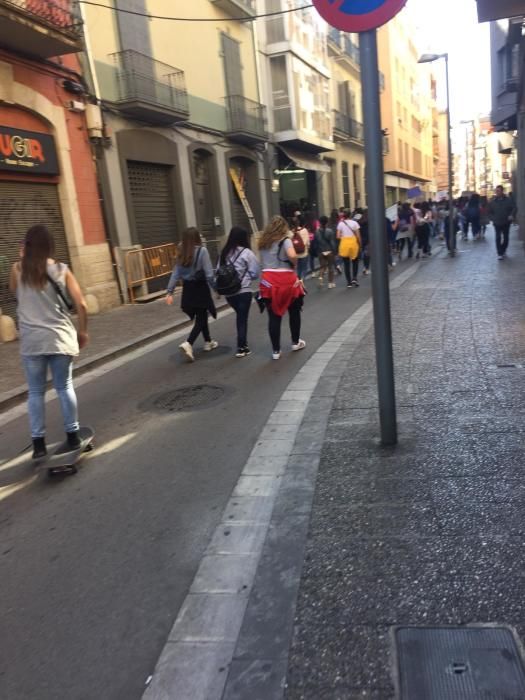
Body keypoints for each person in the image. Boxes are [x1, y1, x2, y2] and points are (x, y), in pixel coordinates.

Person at [9, 225, 88, 459]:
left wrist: (22, 260)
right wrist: (83, 332)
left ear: (27, 246)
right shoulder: (62, 270)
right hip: (59, 338)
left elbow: (16, 294)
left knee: (35, 392)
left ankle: (39, 445)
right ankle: (73, 436)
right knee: (64, 387)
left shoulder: (16, 270)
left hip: (32, 342)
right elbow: (81, 304)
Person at [166, 227, 218, 362]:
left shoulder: (181, 253)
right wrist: (216, 289)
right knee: (201, 317)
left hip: (188, 289)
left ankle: (208, 341)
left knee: (202, 314)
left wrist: (169, 292)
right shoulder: (202, 251)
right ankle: (189, 343)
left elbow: (175, 273)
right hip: (200, 288)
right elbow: (209, 274)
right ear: (197, 238)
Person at [258, 215, 306, 360]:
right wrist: (295, 262)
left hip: (268, 281)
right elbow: (292, 255)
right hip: (286, 280)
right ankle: (295, 342)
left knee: (273, 316)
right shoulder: (285, 241)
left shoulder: (263, 242)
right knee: (294, 312)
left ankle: (276, 351)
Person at [217, 227, 260, 358]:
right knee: (242, 319)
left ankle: (243, 345)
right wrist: (245, 276)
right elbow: (255, 273)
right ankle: (242, 347)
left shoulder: (224, 253)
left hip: (229, 293)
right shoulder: (247, 253)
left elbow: (219, 271)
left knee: (240, 317)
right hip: (243, 291)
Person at [488, 185, 516, 260]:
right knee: (498, 237)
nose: (497, 192)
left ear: (502, 191)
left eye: (498, 191)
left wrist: (511, 215)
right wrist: (493, 219)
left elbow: (514, 208)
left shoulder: (508, 200)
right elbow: (489, 212)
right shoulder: (493, 202)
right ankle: (499, 253)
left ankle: (503, 250)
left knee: (506, 238)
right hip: (497, 222)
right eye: (496, 191)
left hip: (506, 222)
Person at [336, 208, 361, 288]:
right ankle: (355, 278)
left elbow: (338, 236)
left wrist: (344, 237)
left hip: (344, 244)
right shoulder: (355, 223)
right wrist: (360, 244)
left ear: (343, 215)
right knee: (355, 261)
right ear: (351, 215)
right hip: (353, 244)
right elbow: (358, 236)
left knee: (346, 264)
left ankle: (349, 282)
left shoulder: (340, 224)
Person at [315, 215, 337, 288]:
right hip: (329, 250)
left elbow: (316, 242)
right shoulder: (330, 231)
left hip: (321, 251)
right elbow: (332, 243)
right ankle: (330, 283)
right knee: (330, 267)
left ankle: (320, 278)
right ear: (327, 222)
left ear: (320, 222)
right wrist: (334, 251)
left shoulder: (317, 232)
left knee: (322, 266)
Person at [290, 213, 310, 281]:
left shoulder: (291, 232)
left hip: (295, 254)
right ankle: (302, 280)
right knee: (304, 268)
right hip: (304, 253)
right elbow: (307, 242)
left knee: (298, 268)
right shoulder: (304, 230)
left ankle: (298, 280)